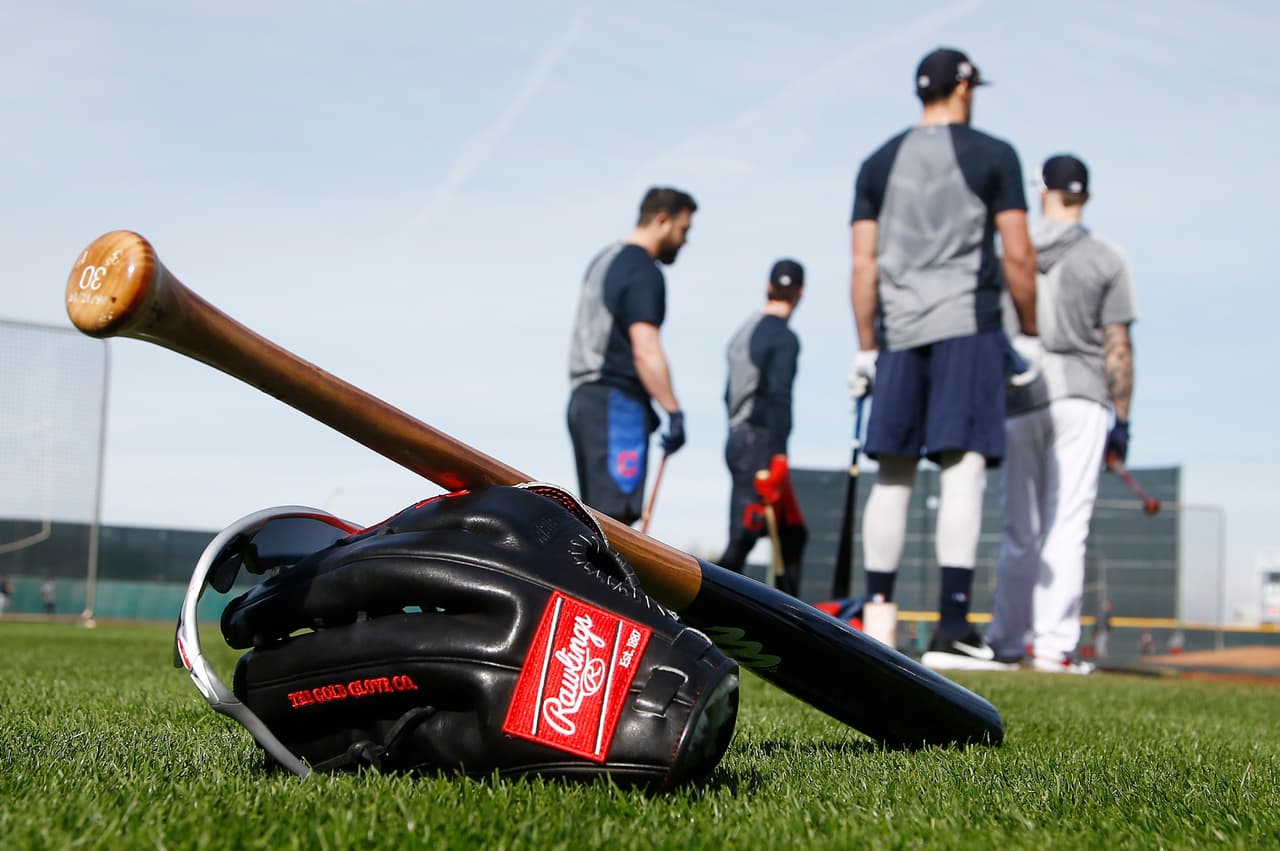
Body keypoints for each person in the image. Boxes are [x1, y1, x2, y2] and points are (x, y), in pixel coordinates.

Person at [847, 47, 1038, 670]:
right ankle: (953, 627)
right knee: (962, 469)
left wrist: (867, 346)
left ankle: (877, 619)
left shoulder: (878, 161)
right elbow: (1017, 255)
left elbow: (862, 264)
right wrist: (1029, 333)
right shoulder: (994, 154)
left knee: (894, 474)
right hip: (968, 326)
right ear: (963, 87)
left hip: (898, 334)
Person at [986, 154, 1138, 675]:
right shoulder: (1107, 256)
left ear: (1041, 188)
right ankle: (1052, 648)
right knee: (1067, 525)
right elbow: (1118, 347)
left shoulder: (1011, 251)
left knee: (1018, 529)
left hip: (1020, 396)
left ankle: (1006, 642)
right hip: (1082, 394)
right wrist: (1123, 420)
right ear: (1086, 196)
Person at [567, 187, 697, 524]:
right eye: (684, 230)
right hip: (616, 403)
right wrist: (673, 410)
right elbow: (645, 347)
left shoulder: (604, 260)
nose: (685, 241)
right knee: (615, 524)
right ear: (662, 220)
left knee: (594, 521)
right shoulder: (642, 270)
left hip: (586, 401)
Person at [718, 259, 806, 594]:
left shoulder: (744, 332)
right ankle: (704, 614)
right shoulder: (784, 338)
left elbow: (728, 393)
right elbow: (778, 397)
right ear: (800, 294)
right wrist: (778, 454)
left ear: (768, 286)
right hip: (762, 442)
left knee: (792, 534)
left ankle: (790, 620)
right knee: (746, 532)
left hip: (739, 438)